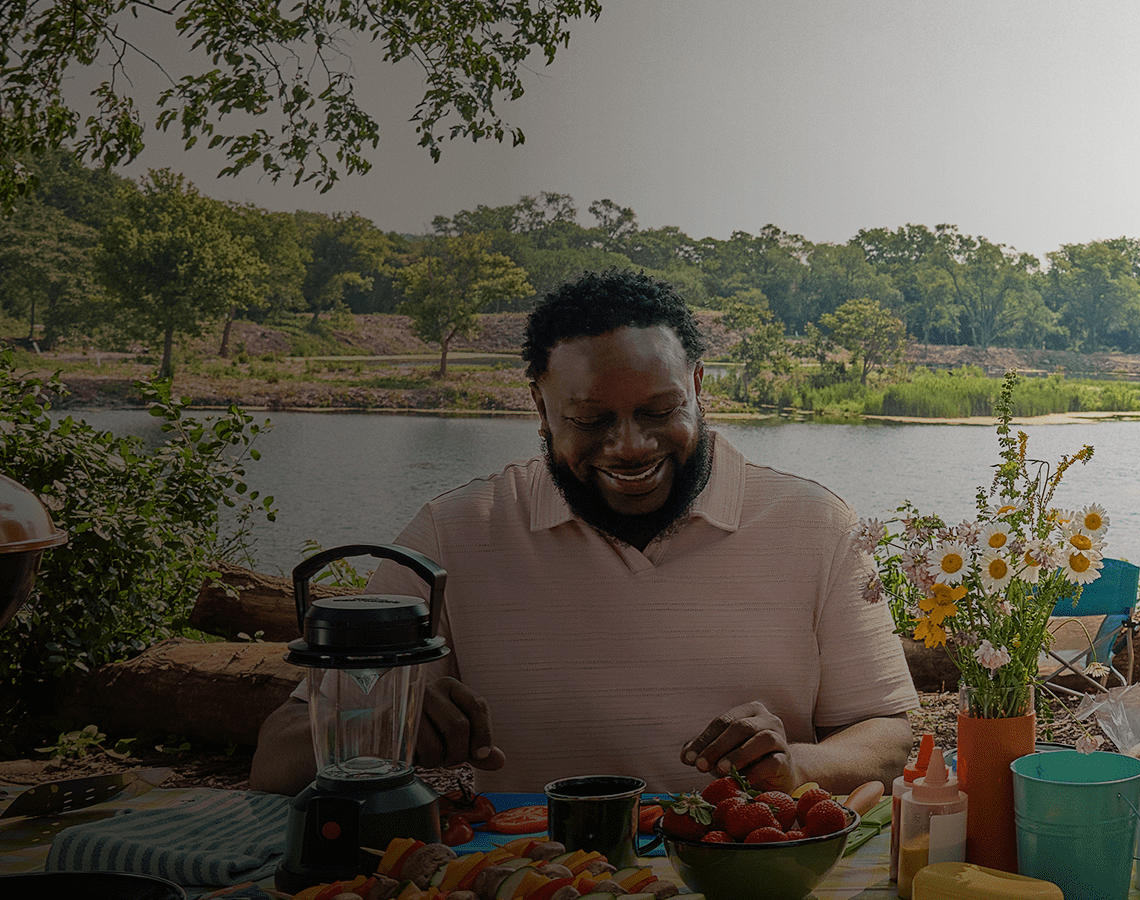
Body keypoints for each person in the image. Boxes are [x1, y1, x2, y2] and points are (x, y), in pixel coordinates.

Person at [252, 270, 922, 795]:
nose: (629, 446)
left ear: (698, 385)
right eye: (591, 420)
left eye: (660, 411)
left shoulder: (816, 526)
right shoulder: (453, 535)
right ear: (541, 408)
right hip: (535, 876)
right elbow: (276, 760)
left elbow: (890, 734)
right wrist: (378, 727)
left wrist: (799, 768)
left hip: (746, 863)